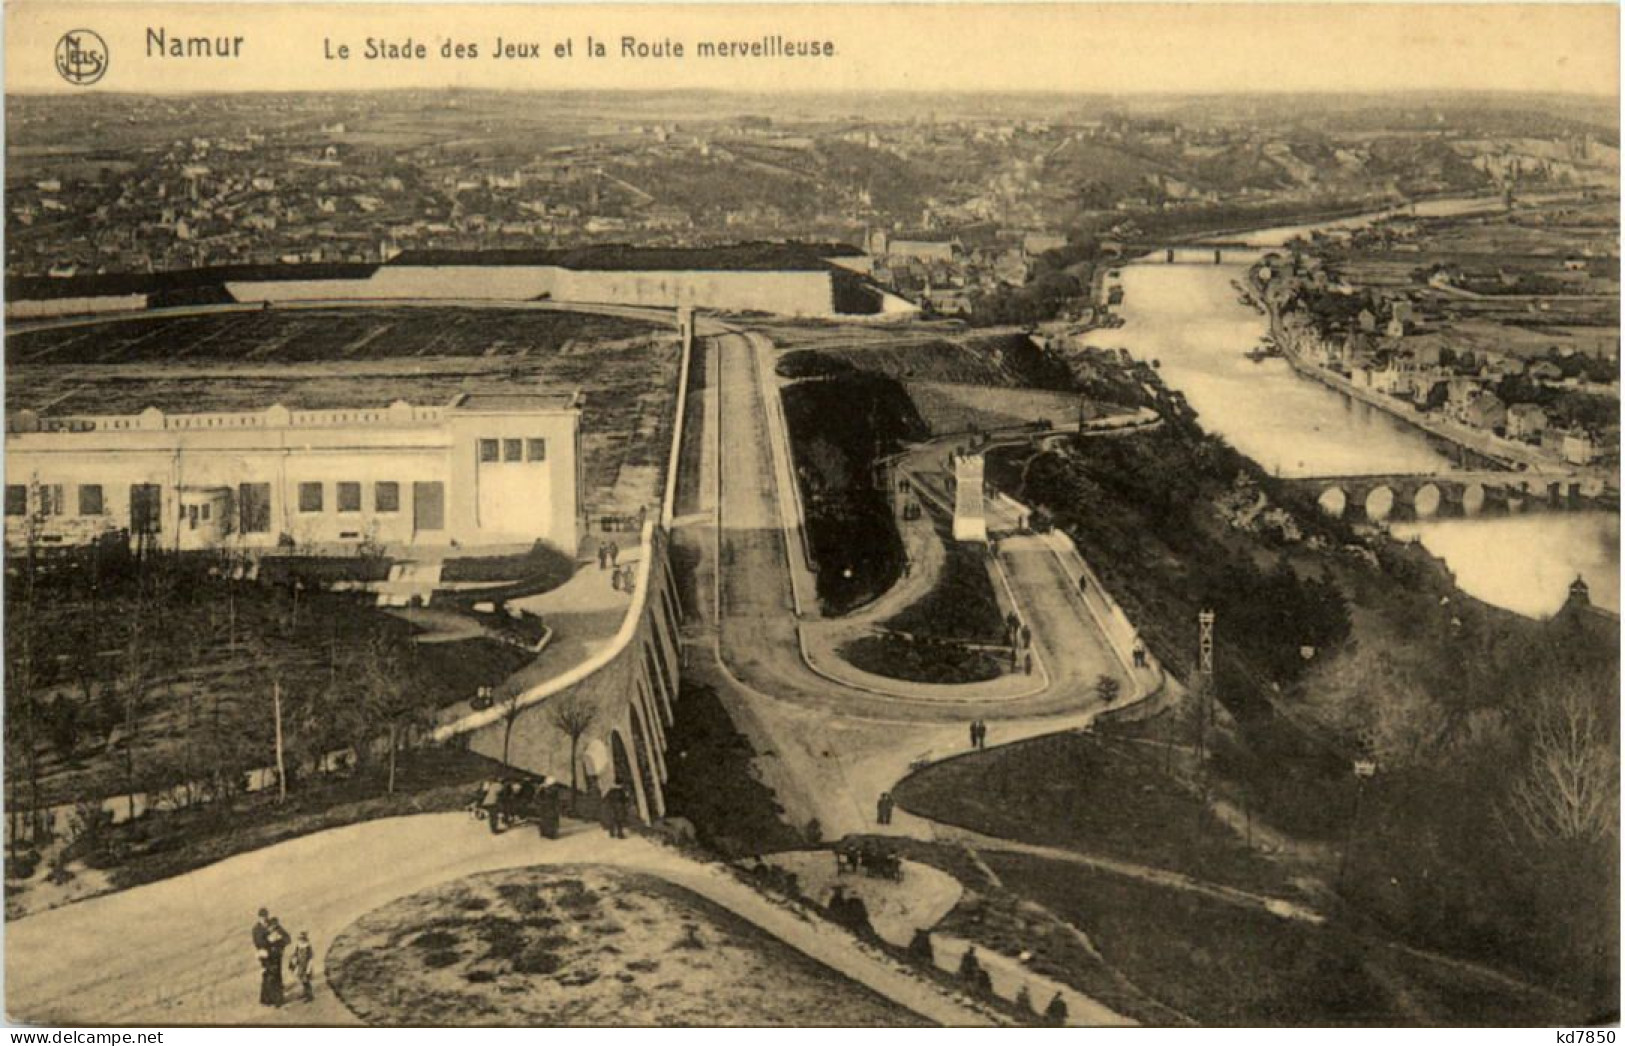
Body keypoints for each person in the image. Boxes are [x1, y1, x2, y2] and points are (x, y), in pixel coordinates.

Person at [262, 916, 290, 1007]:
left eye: (275, 926)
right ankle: (275, 999)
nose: (273, 928)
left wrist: (279, 942)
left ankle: (278, 999)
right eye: (272, 926)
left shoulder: (279, 930)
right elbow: (263, 945)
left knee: (276, 977)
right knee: (274, 978)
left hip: (277, 957)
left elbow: (288, 939)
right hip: (270, 958)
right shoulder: (266, 933)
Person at [288, 932, 315, 1003]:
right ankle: (305, 992)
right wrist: (293, 959)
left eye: (302, 939)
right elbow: (296, 954)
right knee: (302, 980)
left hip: (306, 967)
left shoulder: (308, 947)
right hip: (300, 966)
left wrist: (308, 969)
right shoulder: (298, 946)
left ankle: (310, 995)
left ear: (305, 939)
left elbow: (310, 958)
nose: (300, 940)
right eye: (300, 939)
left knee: (306, 981)